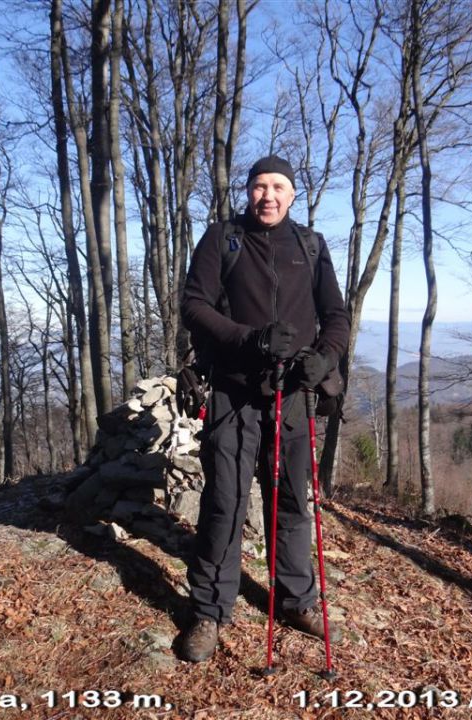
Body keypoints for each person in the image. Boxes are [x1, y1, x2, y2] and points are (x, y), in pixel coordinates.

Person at [178, 155, 351, 663]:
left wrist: (324, 359)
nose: (267, 196)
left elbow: (336, 315)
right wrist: (250, 340)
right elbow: (194, 305)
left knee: (293, 501)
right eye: (258, 187)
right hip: (234, 393)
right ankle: (209, 611)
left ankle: (296, 601)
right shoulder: (223, 238)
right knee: (225, 502)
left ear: (293, 194)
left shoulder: (310, 245)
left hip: (293, 394)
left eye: (278, 187)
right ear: (248, 192)